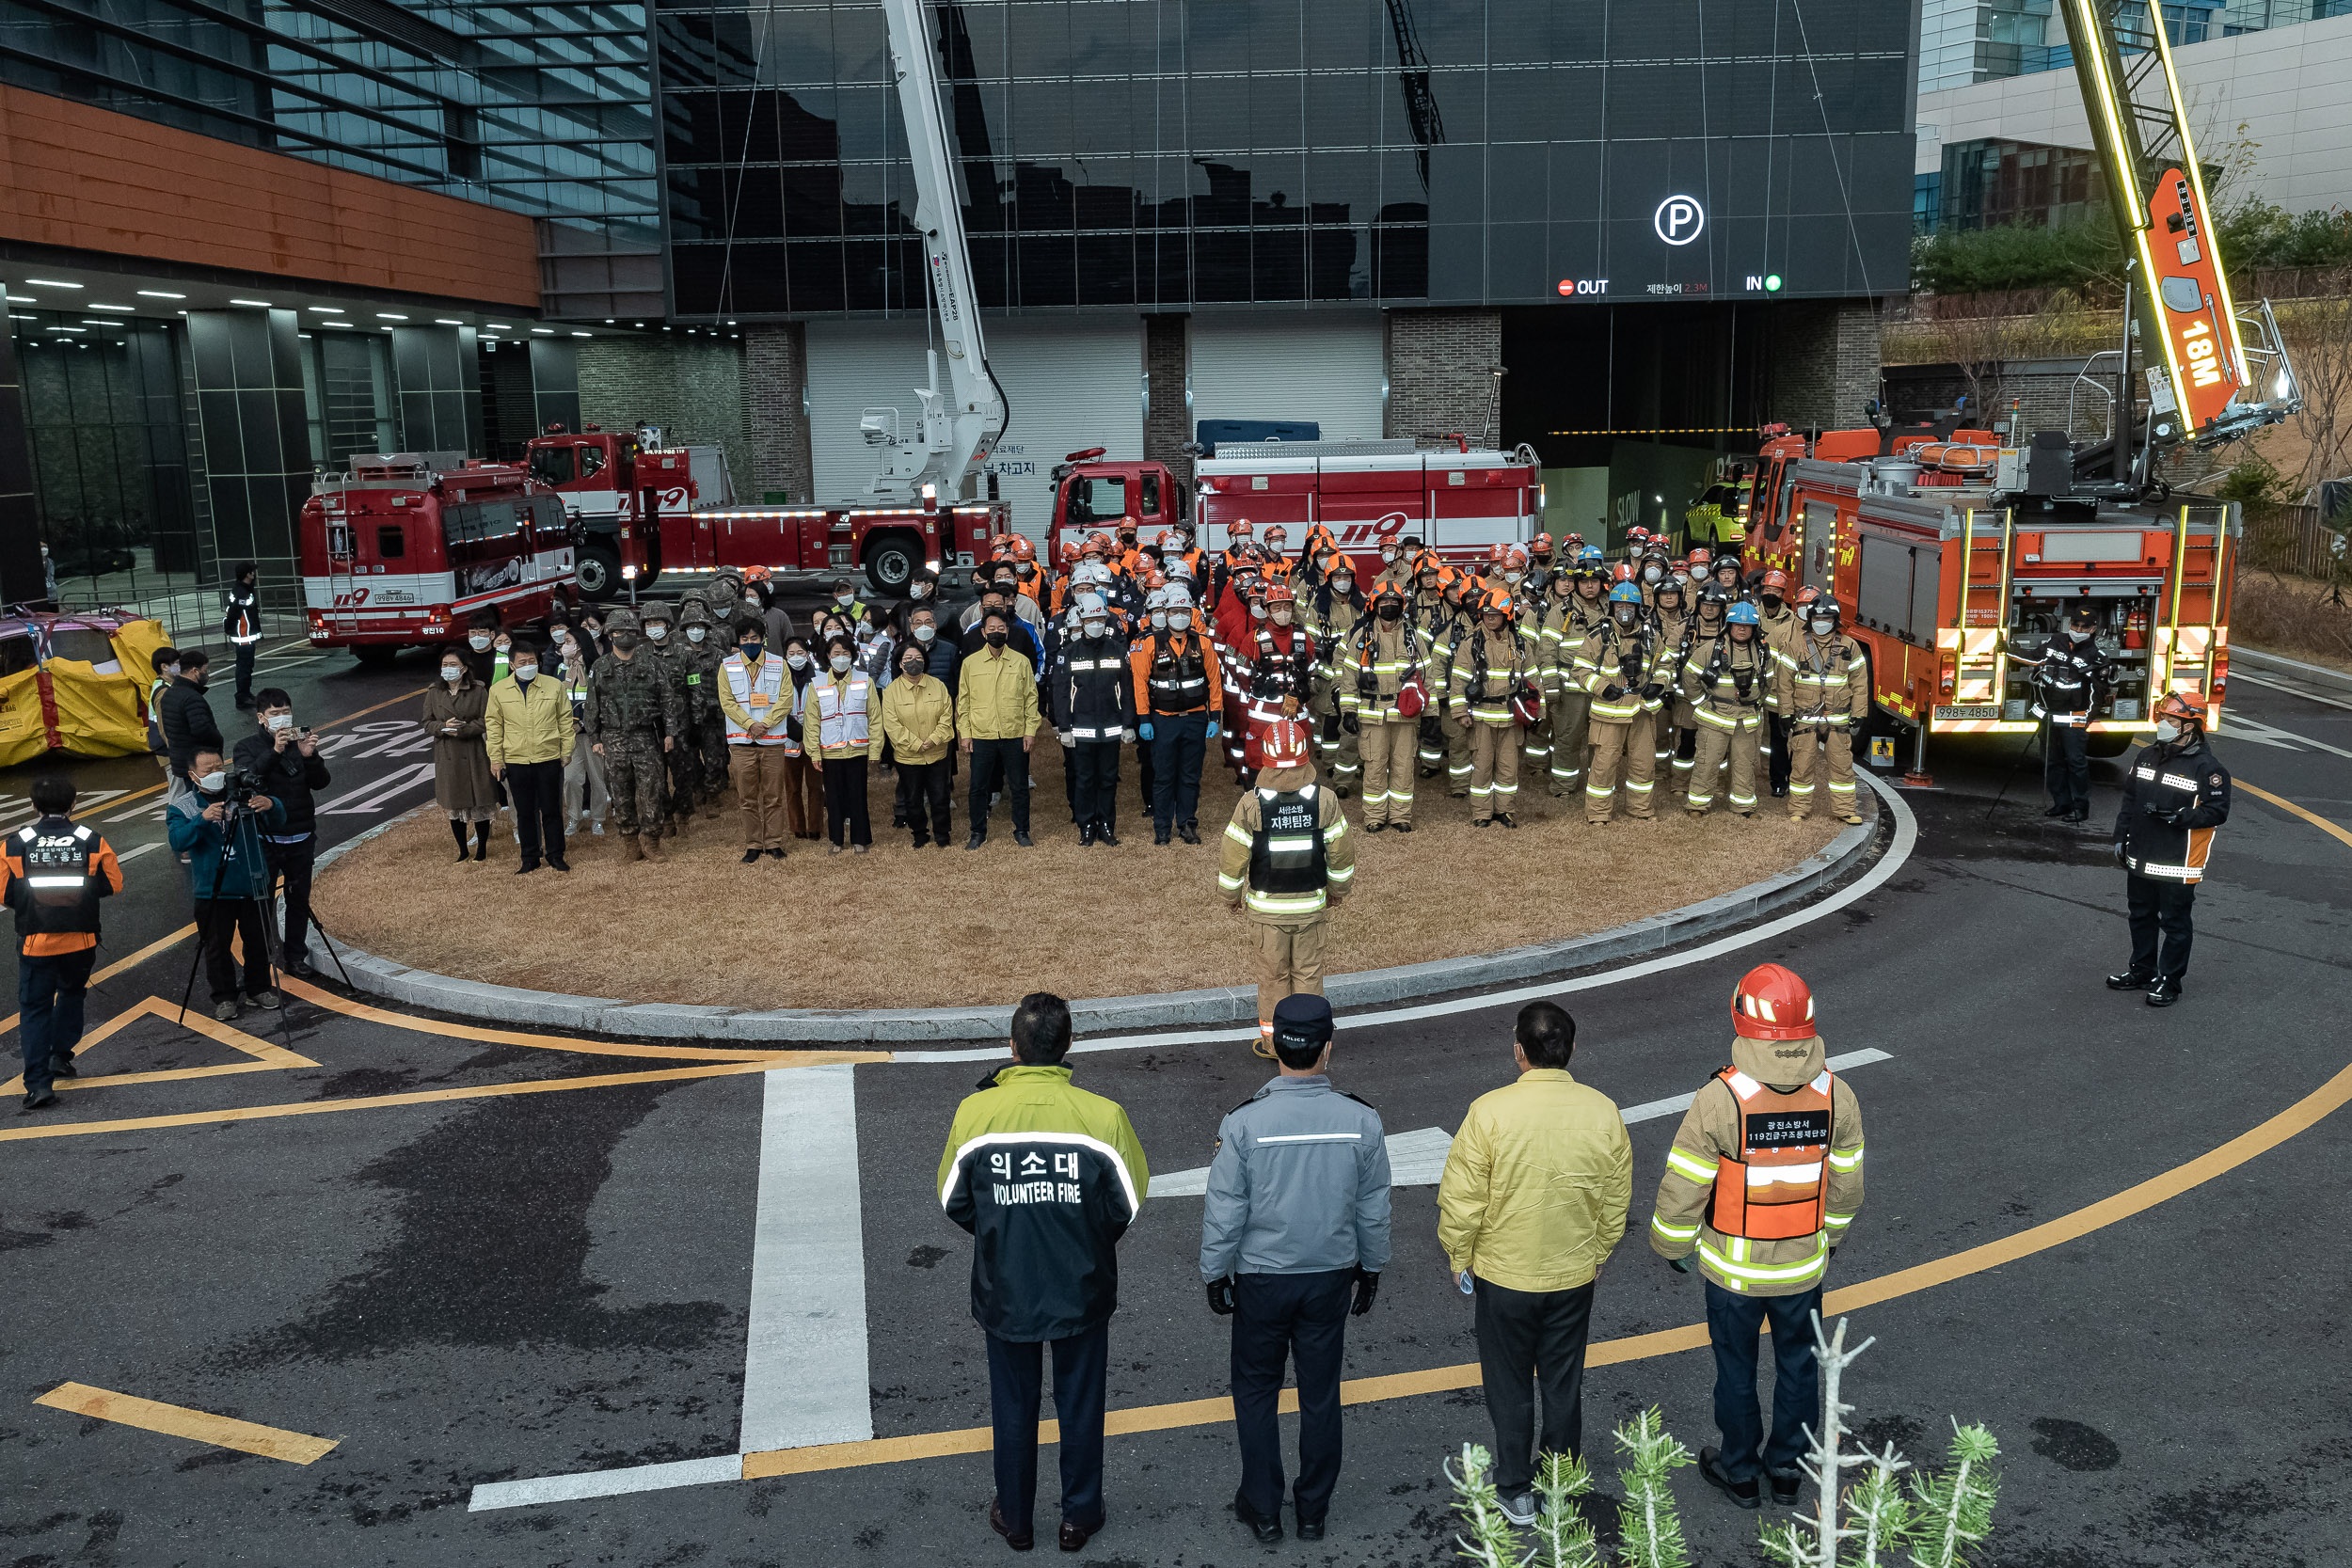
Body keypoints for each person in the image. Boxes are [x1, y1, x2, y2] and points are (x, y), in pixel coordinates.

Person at [937, 993, 1150, 1556]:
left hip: (1006, 1289)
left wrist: (1002, 1238)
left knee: (1013, 1406)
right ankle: (1079, 1517)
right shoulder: (1102, 1117)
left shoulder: (974, 1115)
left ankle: (1015, 1518)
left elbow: (954, 1202)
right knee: (1080, 1404)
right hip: (1080, 1288)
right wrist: (1084, 1242)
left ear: (1012, 1047)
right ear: (1068, 1047)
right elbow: (1126, 1202)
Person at [1649, 963, 1866, 1512]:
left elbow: (1685, 1185)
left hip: (1733, 1274)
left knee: (1736, 1372)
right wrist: (1829, 1239)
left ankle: (1740, 1472)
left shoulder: (1721, 1098)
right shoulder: (1837, 1095)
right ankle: (1788, 1471)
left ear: (1742, 1017)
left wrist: (1672, 1246)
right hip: (1802, 1271)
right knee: (1799, 1369)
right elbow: (1847, 1186)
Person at [1200, 993, 1391, 1544]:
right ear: (1327, 1047)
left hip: (1261, 1279)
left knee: (1256, 1392)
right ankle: (1313, 1510)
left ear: (1274, 1045)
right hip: (1330, 1278)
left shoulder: (1244, 1123)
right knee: (1320, 1394)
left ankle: (1263, 1508)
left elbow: (1225, 1209)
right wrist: (1372, 1268)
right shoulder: (1362, 1120)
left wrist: (1215, 1273)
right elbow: (1372, 1207)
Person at [1437, 1002, 1630, 1525]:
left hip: (1504, 1277)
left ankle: (1516, 1489)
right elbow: (1616, 1202)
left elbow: (1462, 1200)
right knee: (1563, 1385)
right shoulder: (1604, 1112)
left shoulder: (1489, 1112)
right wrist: (1597, 1255)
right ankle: (1559, 1487)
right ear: (1571, 1049)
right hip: (1572, 1277)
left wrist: (1460, 1255)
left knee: (1510, 1384)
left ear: (1518, 1050)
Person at [1217, 715, 1354, 1055]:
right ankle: (1311, 1042)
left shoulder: (1251, 803)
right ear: (1306, 756)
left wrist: (1231, 895)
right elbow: (1341, 853)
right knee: (1308, 978)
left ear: (1266, 759)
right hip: (1310, 910)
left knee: (1273, 980)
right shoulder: (1325, 800)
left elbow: (1233, 855)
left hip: (1266, 914)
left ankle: (1275, 1044)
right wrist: (1337, 891)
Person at [5, 776, 123, 1110]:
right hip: (81, 939)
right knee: (72, 993)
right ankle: (60, 1055)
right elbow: (114, 884)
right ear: (74, 804)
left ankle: (39, 1085)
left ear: (33, 806)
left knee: (34, 1009)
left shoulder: (15, 843)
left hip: (35, 942)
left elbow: (3, 893)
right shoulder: (91, 839)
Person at [2107, 690, 2231, 1006]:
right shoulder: (2147, 755)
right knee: (2140, 915)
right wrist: (2121, 838)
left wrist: (2180, 817)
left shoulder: (2209, 770)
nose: (2163, 724)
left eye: (2171, 720)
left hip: (2179, 860)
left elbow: (2217, 812)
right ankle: (2142, 971)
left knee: (2175, 923)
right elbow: (2130, 801)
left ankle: (2169, 982)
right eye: (2162, 717)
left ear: (2191, 726)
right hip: (2142, 853)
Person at [167, 748, 286, 1021]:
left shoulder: (243, 795)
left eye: (219, 767)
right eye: (207, 770)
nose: (215, 774)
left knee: (257, 940)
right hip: (212, 889)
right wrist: (202, 819)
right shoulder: (182, 806)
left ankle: (259, 988)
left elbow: (278, 821)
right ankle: (224, 998)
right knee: (216, 946)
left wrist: (272, 805)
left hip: (251, 882)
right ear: (193, 774)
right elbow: (177, 841)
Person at [233, 689, 332, 974]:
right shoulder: (246, 746)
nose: (282, 718)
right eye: (275, 714)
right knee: (259, 905)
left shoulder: (300, 743)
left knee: (298, 900)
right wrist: (275, 751)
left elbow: (321, 782)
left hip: (301, 835)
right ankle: (260, 963)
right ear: (261, 718)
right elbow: (248, 778)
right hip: (265, 838)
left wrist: (309, 756)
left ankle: (295, 957)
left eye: (285, 712)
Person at [582, 607, 683, 863]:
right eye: (618, 631)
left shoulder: (652, 664)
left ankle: (652, 842)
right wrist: (594, 738)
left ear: (636, 634)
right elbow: (592, 703)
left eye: (629, 631)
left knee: (652, 790)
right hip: (613, 738)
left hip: (645, 736)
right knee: (620, 793)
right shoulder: (600, 666)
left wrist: (670, 732)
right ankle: (630, 843)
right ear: (610, 635)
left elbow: (667, 699)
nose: (624, 635)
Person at [1131, 590, 1223, 846]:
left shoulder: (1203, 643)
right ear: (1165, 613)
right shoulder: (1149, 643)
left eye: (1184, 612)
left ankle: (1187, 823)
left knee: (1190, 775)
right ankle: (1161, 827)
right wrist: (1144, 719)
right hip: (1163, 720)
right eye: (1173, 612)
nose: (1179, 617)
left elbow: (1215, 680)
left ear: (1192, 614)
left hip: (1195, 719)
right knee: (1163, 775)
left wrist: (1215, 716)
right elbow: (1139, 683)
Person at [1576, 583, 1670, 824]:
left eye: (1629, 605)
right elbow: (1580, 670)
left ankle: (1641, 810)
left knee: (1643, 764)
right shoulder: (1597, 637)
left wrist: (1659, 684)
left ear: (1638, 608)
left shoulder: (1651, 636)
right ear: (1612, 606)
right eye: (1620, 605)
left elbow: (1666, 665)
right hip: (1609, 713)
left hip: (1642, 711)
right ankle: (1598, 814)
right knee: (1604, 766)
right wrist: (1602, 687)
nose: (1624, 610)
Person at [1340, 583, 1428, 833]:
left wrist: (1430, 715)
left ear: (1401, 606)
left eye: (1394, 604)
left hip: (1405, 713)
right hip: (1372, 713)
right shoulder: (1361, 637)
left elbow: (1427, 674)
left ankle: (1401, 816)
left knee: (1403, 766)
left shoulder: (1412, 636)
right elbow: (1348, 677)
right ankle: (1375, 817)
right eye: (1383, 604)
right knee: (1375, 765)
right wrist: (1347, 711)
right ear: (1375, 607)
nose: (1389, 607)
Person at [1774, 595, 1867, 824]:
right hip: (1805, 716)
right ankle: (1799, 809)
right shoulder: (1796, 645)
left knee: (1842, 766)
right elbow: (1784, 683)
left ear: (1835, 620)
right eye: (1817, 617)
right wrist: (1785, 713)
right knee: (1802, 765)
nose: (1821, 621)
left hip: (1838, 717)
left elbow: (1860, 683)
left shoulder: (1849, 646)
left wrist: (1859, 713)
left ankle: (1845, 810)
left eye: (1826, 618)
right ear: (1810, 619)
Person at [484, 642, 574, 875]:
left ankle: (556, 855)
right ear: (512, 665)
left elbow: (565, 719)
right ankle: (530, 857)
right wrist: (496, 759)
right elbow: (494, 726)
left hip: (548, 757)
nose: (528, 666)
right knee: (524, 812)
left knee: (552, 810)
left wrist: (567, 750)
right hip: (516, 760)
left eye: (532, 661)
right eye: (522, 662)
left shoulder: (554, 686)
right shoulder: (499, 690)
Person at [1051, 596, 1135, 847]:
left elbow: (1128, 691)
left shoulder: (1118, 651)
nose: (1095, 623)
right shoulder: (1069, 653)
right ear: (1082, 620)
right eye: (1090, 619)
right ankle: (1086, 825)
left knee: (1108, 779)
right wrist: (1064, 727)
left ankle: (1107, 825)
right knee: (1084, 779)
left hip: (1111, 729)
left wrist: (1129, 724)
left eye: (1099, 618)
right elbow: (1061, 693)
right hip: (1081, 731)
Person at [1450, 591, 1536, 828]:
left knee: (1509, 768)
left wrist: (1537, 713)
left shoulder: (1520, 643)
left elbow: (1532, 679)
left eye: (1495, 614)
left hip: (1511, 717)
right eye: (1486, 614)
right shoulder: (1471, 644)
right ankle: (1481, 812)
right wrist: (1460, 713)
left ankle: (1505, 810)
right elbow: (1458, 680)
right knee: (1482, 767)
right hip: (1481, 718)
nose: (1489, 618)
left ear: (1507, 615)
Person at [959, 609, 1041, 851]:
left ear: (1008, 631)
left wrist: (1030, 731)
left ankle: (1022, 830)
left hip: (1014, 733)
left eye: (1001, 629)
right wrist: (965, 733)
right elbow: (963, 701)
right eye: (991, 629)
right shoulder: (970, 664)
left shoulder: (1021, 661)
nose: (996, 633)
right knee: (978, 787)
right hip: (982, 735)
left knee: (1019, 786)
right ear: (983, 632)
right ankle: (977, 832)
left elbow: (1030, 699)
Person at [2024, 603, 2112, 824]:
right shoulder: (2056, 641)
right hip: (2049, 716)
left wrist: (2086, 720)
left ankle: (2081, 808)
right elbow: (2034, 658)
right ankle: (2061, 803)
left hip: (2074, 720)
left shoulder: (2097, 657)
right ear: (2069, 623)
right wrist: (2007, 649)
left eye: (2085, 627)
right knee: (2051, 761)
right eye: (2076, 624)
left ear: (2093, 629)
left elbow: (2098, 694)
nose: (2079, 629)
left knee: (2076, 763)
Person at [716, 616, 794, 863]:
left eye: (754, 638)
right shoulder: (727, 666)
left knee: (773, 796)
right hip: (741, 742)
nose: (750, 642)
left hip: (772, 741)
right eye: (745, 639)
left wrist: (765, 724)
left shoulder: (779, 664)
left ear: (763, 640)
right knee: (747, 798)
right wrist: (750, 724)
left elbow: (786, 700)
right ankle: (753, 844)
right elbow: (727, 702)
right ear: (738, 641)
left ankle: (773, 842)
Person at [1682, 602, 1771, 817]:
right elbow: (1689, 676)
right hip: (1715, 717)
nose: (1742, 629)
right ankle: (1697, 805)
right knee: (1707, 762)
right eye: (1737, 625)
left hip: (1746, 721)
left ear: (1754, 628)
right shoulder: (1710, 649)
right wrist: (1701, 701)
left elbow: (1768, 682)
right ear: (1728, 626)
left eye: (1747, 625)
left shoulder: (1760, 652)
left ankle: (1743, 805)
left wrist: (1755, 700)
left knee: (1744, 765)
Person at [805, 634, 883, 854]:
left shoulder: (865, 681)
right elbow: (812, 722)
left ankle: (860, 839)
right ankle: (837, 840)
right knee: (834, 798)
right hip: (830, 752)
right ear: (828, 656)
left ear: (853, 656)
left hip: (857, 750)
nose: (841, 657)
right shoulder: (817, 684)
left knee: (858, 796)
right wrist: (814, 753)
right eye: (836, 653)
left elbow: (875, 718)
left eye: (846, 653)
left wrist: (875, 750)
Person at [421, 651, 498, 862]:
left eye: (453, 664)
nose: (448, 668)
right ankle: (462, 849)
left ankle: (481, 848)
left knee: (479, 799)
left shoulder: (478, 690)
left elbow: (487, 719)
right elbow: (427, 722)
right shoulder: (435, 691)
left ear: (464, 668)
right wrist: (443, 727)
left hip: (473, 751)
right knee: (454, 802)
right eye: (445, 664)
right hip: (448, 754)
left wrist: (464, 729)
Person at [882, 637, 956, 849]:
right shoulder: (891, 692)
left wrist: (932, 741)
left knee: (940, 796)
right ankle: (920, 834)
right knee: (913, 799)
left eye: (918, 657)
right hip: (908, 756)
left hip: (938, 753)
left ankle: (943, 834)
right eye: (908, 658)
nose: (913, 661)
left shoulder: (938, 686)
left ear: (925, 660)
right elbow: (892, 725)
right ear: (899, 663)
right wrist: (915, 744)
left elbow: (946, 717)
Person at [678, 600, 733, 824]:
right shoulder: (678, 654)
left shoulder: (719, 655)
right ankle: (699, 788)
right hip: (687, 717)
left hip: (713, 716)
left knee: (716, 759)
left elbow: (727, 684)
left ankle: (712, 795)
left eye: (700, 626)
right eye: (691, 627)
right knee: (689, 759)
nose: (696, 631)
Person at [158, 648, 224, 816]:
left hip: (181, 761)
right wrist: (218, 741)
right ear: (195, 671)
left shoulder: (170, 693)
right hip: (198, 763)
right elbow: (202, 730)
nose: (206, 674)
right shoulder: (191, 697)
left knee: (189, 800)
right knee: (203, 805)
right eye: (205, 670)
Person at [557, 627, 608, 837]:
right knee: (570, 779)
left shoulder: (597, 668)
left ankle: (598, 818)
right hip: (568, 735)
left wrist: (585, 725)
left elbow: (601, 703)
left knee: (597, 778)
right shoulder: (561, 669)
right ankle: (574, 817)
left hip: (592, 734)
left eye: (568, 641)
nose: (564, 645)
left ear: (579, 644)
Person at [778, 636, 825, 840]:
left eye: (800, 653)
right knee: (792, 787)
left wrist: (810, 736)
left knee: (816, 786)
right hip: (790, 740)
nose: (796, 657)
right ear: (785, 656)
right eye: (791, 654)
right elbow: (778, 710)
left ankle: (815, 827)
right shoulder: (779, 679)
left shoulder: (821, 678)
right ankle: (797, 827)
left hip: (816, 740)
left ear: (808, 655)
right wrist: (798, 735)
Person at [223, 561, 262, 709]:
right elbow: (234, 612)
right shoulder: (242, 592)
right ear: (248, 574)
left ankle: (245, 694)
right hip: (243, 635)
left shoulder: (243, 589)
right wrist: (230, 628)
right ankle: (242, 697)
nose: (255, 574)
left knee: (246, 666)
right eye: (253, 571)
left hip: (244, 635)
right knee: (244, 667)